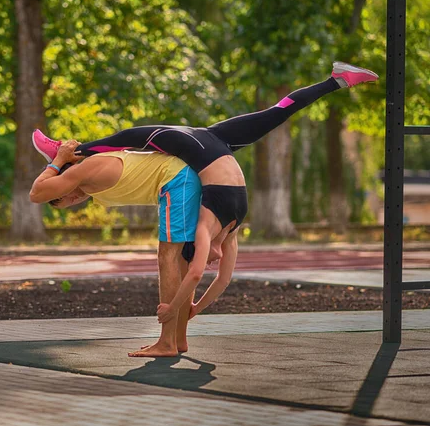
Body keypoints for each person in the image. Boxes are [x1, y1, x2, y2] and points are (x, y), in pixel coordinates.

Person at [32, 62, 378, 357]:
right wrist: (190, 308)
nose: (72, 202)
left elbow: (200, 272)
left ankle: (63, 149)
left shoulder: (211, 226)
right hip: (211, 144)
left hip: (194, 149)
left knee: (140, 144)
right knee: (277, 112)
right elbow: (220, 277)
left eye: (64, 200)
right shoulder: (228, 229)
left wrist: (62, 160)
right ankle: (335, 80)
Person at [29, 143, 213, 356]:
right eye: (69, 203)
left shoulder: (83, 170)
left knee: (168, 257)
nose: (74, 199)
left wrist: (59, 159)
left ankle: (166, 342)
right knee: (180, 259)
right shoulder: (89, 179)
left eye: (67, 195)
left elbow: (36, 193)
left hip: (176, 179)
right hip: (181, 178)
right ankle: (177, 339)